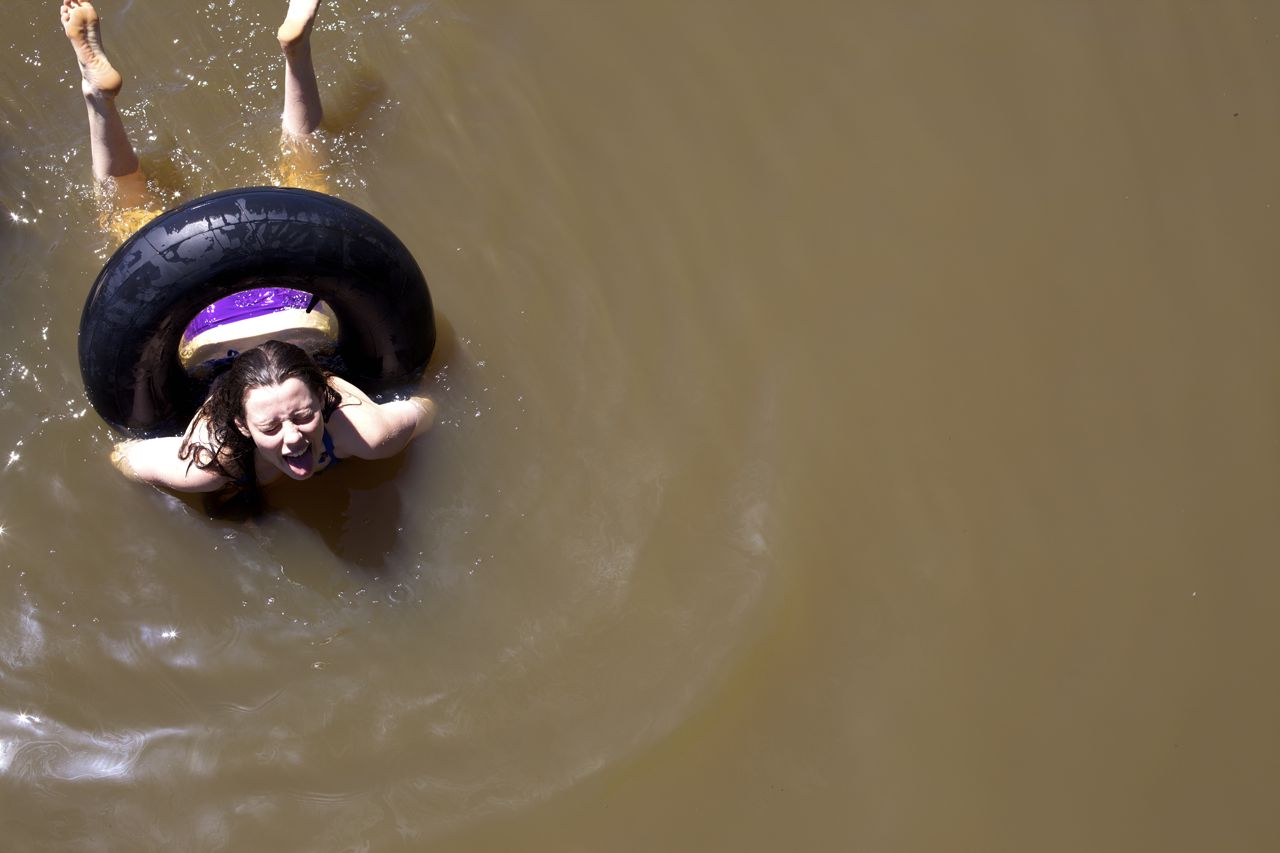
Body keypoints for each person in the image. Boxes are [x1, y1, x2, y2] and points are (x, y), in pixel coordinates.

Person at [61, 0, 435, 492]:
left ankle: (99, 96)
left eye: (302, 416)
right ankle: (294, 51)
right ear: (239, 423)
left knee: (291, 189)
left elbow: (124, 454)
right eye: (272, 427)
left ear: (320, 398)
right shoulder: (362, 435)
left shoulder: (210, 464)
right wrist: (352, 403)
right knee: (141, 219)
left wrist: (199, 438)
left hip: (240, 321)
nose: (293, 438)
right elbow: (425, 406)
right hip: (269, 318)